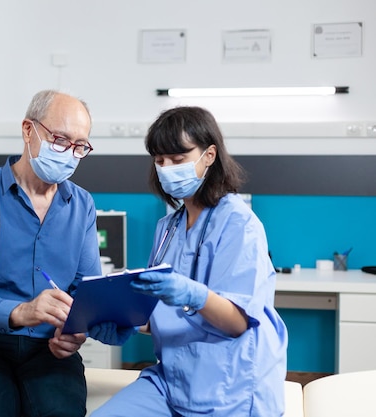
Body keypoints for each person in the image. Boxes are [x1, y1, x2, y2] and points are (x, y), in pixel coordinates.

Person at [89, 106, 288, 416]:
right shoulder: (167, 229)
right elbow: (163, 315)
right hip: (170, 380)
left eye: (178, 159)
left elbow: (237, 323)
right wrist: (122, 322)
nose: (167, 168)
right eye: (159, 160)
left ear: (209, 155)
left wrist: (193, 294)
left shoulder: (239, 224)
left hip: (227, 388)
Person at [0, 90, 102, 417]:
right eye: (59, 139)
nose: (69, 153)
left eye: (79, 146)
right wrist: (19, 312)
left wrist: (74, 330)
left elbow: (86, 289)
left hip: (49, 348)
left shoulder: (81, 205)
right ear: (29, 130)